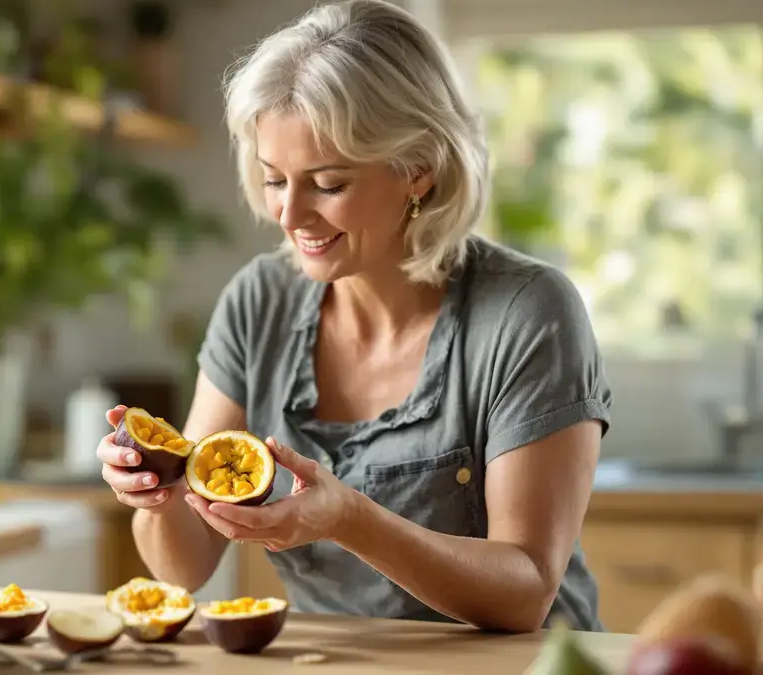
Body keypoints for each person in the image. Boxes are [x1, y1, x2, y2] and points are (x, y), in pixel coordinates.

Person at [96, 0, 612, 634]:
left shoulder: (527, 313)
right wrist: (159, 494)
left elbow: (526, 591)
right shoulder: (259, 302)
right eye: (274, 179)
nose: (289, 216)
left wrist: (349, 518)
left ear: (418, 171)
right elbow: (184, 567)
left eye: (328, 184)